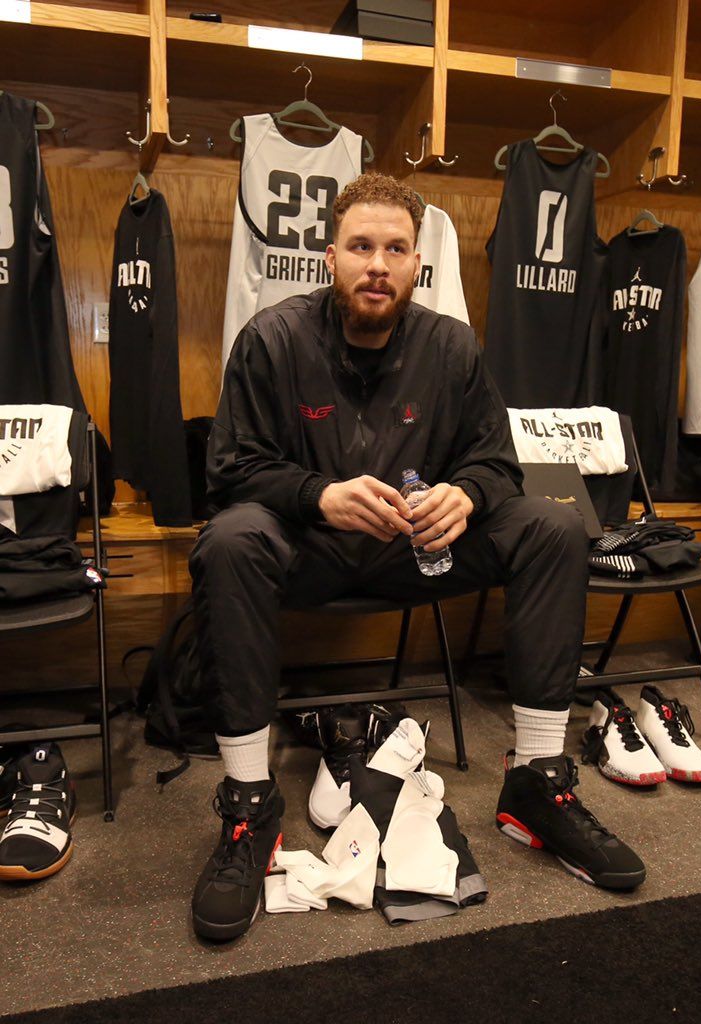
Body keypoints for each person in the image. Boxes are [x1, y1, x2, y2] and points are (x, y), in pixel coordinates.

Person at [189, 172, 645, 942]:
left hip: (419, 551)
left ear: (416, 261)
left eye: (395, 248)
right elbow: (229, 469)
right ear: (330, 256)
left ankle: (536, 782)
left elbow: (498, 463)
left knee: (552, 525)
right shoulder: (270, 338)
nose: (378, 264)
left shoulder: (451, 345)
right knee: (231, 538)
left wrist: (466, 494)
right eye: (361, 247)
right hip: (312, 549)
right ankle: (248, 808)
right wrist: (316, 495)